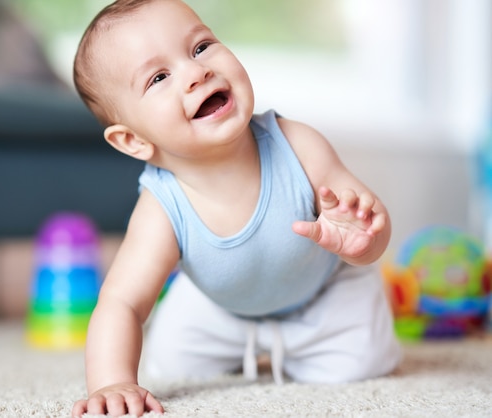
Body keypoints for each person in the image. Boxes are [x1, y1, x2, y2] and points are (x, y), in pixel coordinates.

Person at [71, 0, 401, 416]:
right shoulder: (161, 205)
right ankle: (248, 341)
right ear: (134, 141)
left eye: (200, 47)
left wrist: (363, 241)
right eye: (159, 77)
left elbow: (369, 232)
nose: (196, 72)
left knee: (366, 361)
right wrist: (112, 382)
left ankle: (298, 344)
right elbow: (122, 302)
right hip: (220, 307)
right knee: (169, 359)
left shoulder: (299, 145)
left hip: (322, 295)